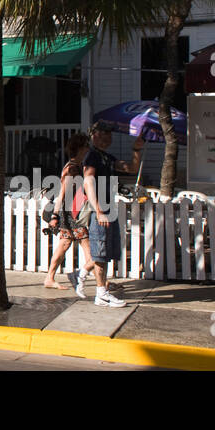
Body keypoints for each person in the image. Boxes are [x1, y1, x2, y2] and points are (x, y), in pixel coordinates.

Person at [77, 120, 143, 306]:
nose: (107, 137)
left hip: (109, 208)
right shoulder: (91, 156)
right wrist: (98, 210)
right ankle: (101, 293)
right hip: (100, 209)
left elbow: (132, 168)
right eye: (103, 133)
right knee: (100, 252)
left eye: (109, 134)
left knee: (107, 252)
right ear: (94, 135)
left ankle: (85, 279)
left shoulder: (106, 157)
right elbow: (88, 182)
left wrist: (136, 150)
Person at [43, 133, 94, 289]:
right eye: (86, 146)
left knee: (64, 245)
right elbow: (62, 193)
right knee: (88, 247)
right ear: (79, 148)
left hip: (73, 213)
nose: (88, 149)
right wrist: (55, 215)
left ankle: (49, 278)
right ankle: (100, 281)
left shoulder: (78, 166)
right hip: (73, 214)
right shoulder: (72, 168)